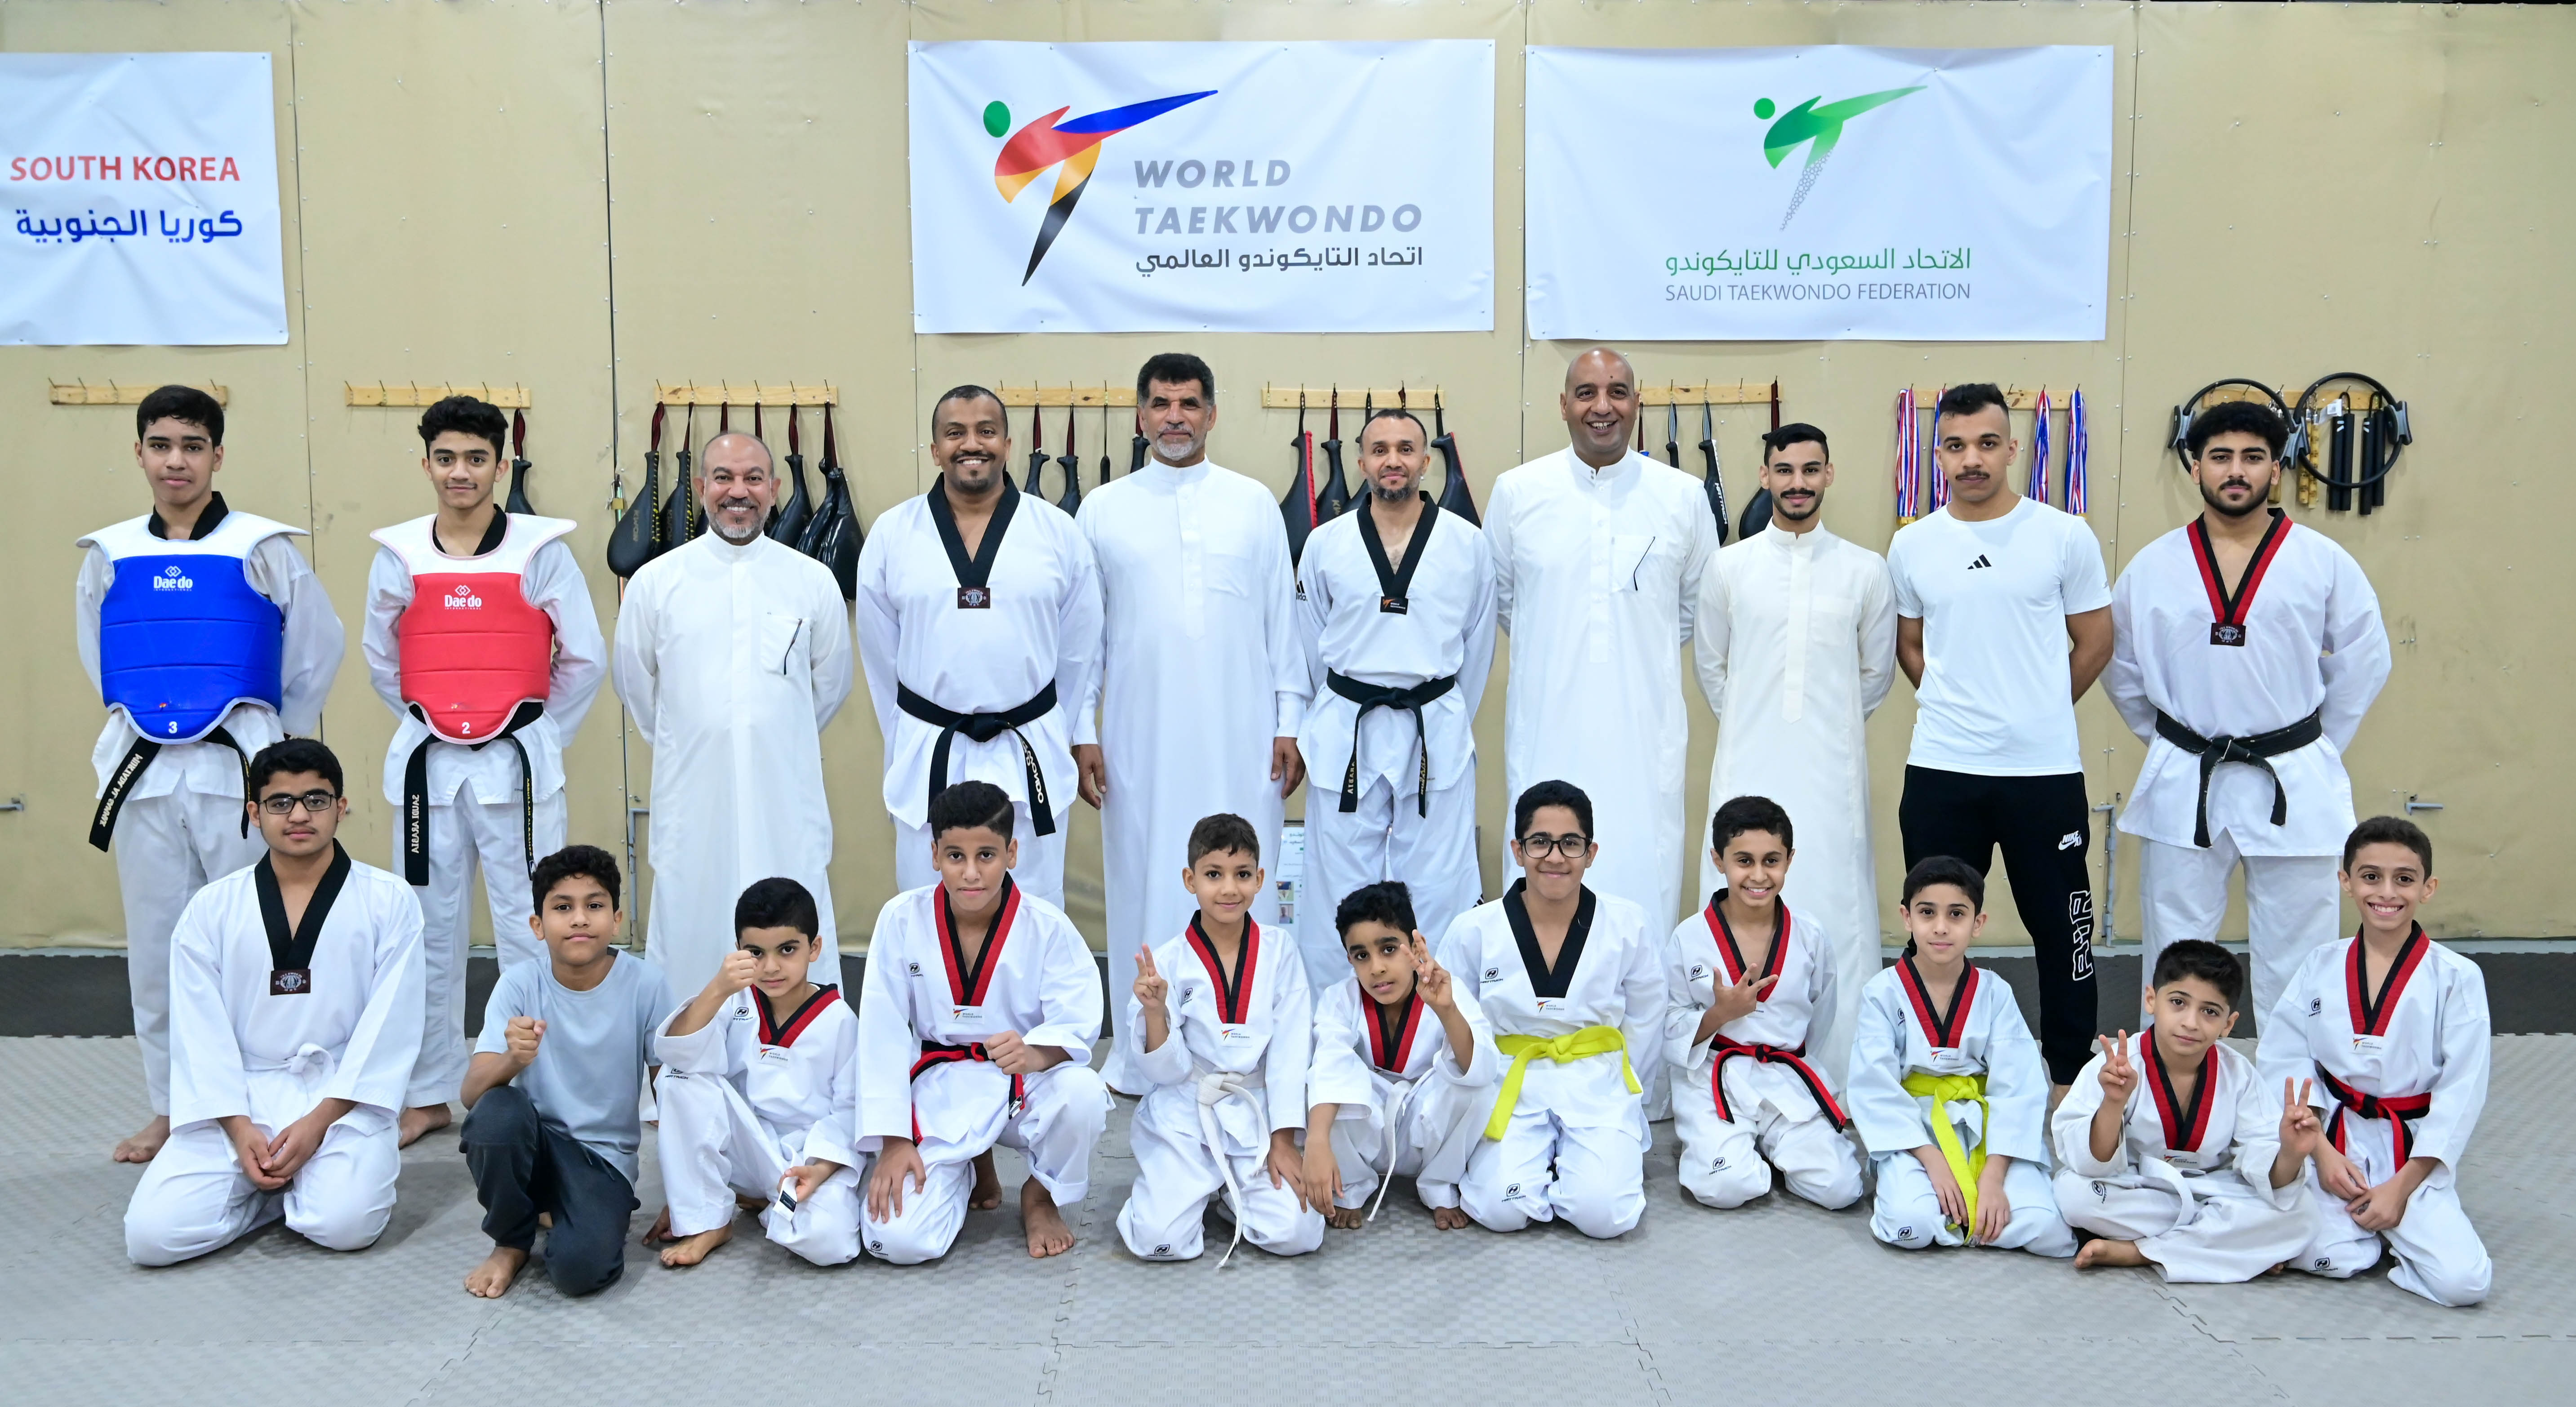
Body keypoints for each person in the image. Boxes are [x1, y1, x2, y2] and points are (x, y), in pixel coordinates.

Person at [78, 384, 345, 1163]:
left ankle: (263, 1099)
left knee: (257, 938)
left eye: (193, 446)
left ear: (217, 455)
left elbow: (315, 649)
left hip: (239, 770)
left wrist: (271, 735)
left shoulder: (262, 547)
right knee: (159, 949)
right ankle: (173, 1108)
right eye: (161, 445)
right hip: (145, 772)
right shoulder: (107, 555)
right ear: (139, 453)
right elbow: (101, 657)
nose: (177, 461)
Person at [365, 394, 606, 1148]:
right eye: (446, 458)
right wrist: (440, 720)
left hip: (518, 771)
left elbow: (584, 658)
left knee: (530, 931)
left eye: (476, 458)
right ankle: (428, 1092)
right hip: (428, 771)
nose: (460, 472)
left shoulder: (541, 552)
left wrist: (530, 731)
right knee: (425, 933)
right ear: (426, 463)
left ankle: (533, 1082)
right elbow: (382, 660)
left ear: (501, 466)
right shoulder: (399, 554)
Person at [2107, 398, 2391, 1022]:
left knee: (2301, 951)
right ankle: (2173, 1076)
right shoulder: (2151, 566)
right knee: (2175, 948)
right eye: (2220, 457)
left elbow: (2364, 660)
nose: (2235, 471)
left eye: (2252, 457)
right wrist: (2171, 742)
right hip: (2188, 774)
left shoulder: (2321, 561)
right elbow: (2119, 666)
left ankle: (2295, 1080)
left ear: (2275, 468)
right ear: (2195, 468)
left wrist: (2312, 744)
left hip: (2290, 775)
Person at [1075, 354, 1307, 1092]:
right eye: (1160, 403)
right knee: (1144, 875)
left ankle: (1250, 1045)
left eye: (1188, 403)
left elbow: (1282, 625)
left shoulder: (1252, 504)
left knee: (1241, 871)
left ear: (1211, 414)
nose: (1174, 417)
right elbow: (1084, 639)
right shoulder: (1101, 510)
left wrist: (1290, 721)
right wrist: (1082, 729)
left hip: (1244, 737)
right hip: (1138, 738)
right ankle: (1143, 1053)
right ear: (1140, 415)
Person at [1887, 382, 2113, 1093]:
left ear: (2011, 447)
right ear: (1937, 455)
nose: (1971, 459)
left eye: (1986, 443)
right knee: (1936, 926)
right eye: (1954, 446)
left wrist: (2036, 709)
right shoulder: (1911, 545)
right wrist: (1959, 709)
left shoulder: (2062, 536)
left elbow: (2095, 640)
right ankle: (1935, 1062)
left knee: (2063, 931)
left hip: (2041, 774)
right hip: (1941, 770)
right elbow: (1909, 644)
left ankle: (2069, 1079)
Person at [122, 739, 423, 1266]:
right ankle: (270, 1198)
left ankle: (295, 1186)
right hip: (240, 1093)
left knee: (345, 1226)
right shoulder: (212, 908)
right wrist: (240, 1128)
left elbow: (390, 1026)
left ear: (341, 807)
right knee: (152, 1238)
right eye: (281, 802)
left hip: (339, 1093)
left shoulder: (388, 900)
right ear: (254, 812)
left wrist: (320, 1122)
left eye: (316, 799)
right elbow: (198, 1031)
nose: (299, 815)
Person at [1486, 348, 1720, 940]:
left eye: (1617, 392)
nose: (1602, 406)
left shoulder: (1682, 496)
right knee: (1544, 863)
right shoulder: (1517, 492)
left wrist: (1633, 642)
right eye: (1586, 392)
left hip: (1643, 727)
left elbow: (1694, 606)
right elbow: (1504, 600)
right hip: (1547, 722)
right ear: (1563, 405)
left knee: (1643, 869)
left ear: (1636, 404)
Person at [614, 429, 854, 995]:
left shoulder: (811, 581)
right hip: (692, 795)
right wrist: (696, 737)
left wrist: (772, 735)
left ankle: (801, 1044)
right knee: (693, 918)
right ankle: (689, 1042)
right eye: (723, 478)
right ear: (701, 487)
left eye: (753, 479)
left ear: (774, 489)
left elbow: (829, 687)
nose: (738, 491)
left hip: (783, 797)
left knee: (792, 910)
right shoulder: (656, 582)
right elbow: (637, 686)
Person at [1691, 423, 1896, 1081]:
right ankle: (1730, 1057)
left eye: (1811, 470)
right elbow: (1713, 668)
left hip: (1831, 771)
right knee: (1739, 890)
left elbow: (1875, 675)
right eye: (1784, 470)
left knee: (1836, 900)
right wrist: (1756, 720)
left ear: (1828, 475)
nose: (1797, 483)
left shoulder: (1865, 570)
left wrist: (1824, 723)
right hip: (1747, 758)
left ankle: (1840, 1070)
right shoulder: (1728, 567)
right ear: (1765, 476)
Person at [855, 386, 1101, 908]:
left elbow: (1078, 653)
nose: (972, 444)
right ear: (935, 450)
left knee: (1031, 911)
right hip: (930, 750)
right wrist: (908, 737)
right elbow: (881, 659)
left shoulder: (1057, 533)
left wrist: (1054, 729)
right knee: (927, 912)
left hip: (1026, 746)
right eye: (955, 433)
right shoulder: (893, 534)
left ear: (1008, 445)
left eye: (986, 431)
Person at [855, 781, 1108, 1263]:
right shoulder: (900, 919)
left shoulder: (1047, 926)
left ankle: (1041, 1195)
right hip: (942, 1085)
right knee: (896, 1240)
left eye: (986, 855)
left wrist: (1035, 1052)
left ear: (1012, 853)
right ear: (934, 855)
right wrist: (894, 1138)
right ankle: (972, 1163)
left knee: (1084, 1094)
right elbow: (880, 1033)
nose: (971, 873)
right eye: (956, 856)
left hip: (1020, 1084)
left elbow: (1076, 1019)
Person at [1293, 408, 1496, 985]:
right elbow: (1311, 642)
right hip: (1348, 724)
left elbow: (1477, 646)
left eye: (1406, 449)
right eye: (1379, 449)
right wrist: (1338, 700)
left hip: (1432, 721)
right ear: (1361, 462)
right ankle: (1335, 1015)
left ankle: (1437, 1016)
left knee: (1437, 880)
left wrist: (1439, 705)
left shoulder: (1467, 544)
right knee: (1337, 880)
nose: (1392, 460)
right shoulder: (1326, 543)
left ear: (1426, 461)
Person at [2260, 817, 2491, 1306]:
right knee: (2332, 1258)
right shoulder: (2320, 963)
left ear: (2427, 888)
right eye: (2370, 877)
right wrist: (2321, 1152)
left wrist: (2401, 1189)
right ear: (2345, 882)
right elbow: (2285, 1056)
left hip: (2410, 1148)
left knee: (2464, 1284)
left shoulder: (2457, 977)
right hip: (2334, 1136)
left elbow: (2462, 1091)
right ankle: (2370, 1237)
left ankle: (2399, 1228)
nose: (2386, 892)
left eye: (2403, 879)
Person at [1439, 780, 1664, 1239]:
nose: (1555, 857)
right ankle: (1544, 1167)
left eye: (1570, 843)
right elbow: (1451, 1020)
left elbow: (1647, 1017)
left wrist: (1625, 1088)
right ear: (1518, 851)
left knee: (1604, 1215)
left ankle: (1584, 1169)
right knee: (1500, 1210)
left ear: (1591, 852)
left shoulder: (1627, 924)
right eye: (1540, 842)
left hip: (1596, 1080)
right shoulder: (1474, 929)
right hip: (1510, 1080)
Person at [458, 845, 674, 1299]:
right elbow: (471, 1095)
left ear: (616, 919)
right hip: (536, 1144)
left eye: (594, 906)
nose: (579, 919)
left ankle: (566, 1210)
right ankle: (511, 1241)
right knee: (496, 1114)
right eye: (562, 907)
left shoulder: (647, 984)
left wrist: (686, 1195)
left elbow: (671, 1093)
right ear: (538, 925)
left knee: (581, 1272)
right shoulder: (519, 984)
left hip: (604, 1160)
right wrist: (513, 1059)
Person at [1116, 813, 1322, 1265]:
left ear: (1260, 880)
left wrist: (1283, 1140)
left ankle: (1232, 1198)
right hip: (1187, 1109)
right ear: (1190, 880)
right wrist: (1154, 1012)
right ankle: (1174, 1187)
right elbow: (1165, 1070)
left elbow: (1290, 1052)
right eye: (1214, 875)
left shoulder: (1279, 951)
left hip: (1253, 1111)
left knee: (1298, 1233)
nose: (1229, 889)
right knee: (1159, 1241)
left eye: (1242, 874)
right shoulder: (1168, 960)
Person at [1849, 856, 2075, 1258]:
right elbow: (1874, 1086)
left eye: (1956, 914)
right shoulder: (1882, 992)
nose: (1940, 927)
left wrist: (1993, 1175)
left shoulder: (1995, 992)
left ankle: (1963, 1214)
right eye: (1927, 913)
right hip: (1914, 1131)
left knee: (2046, 1228)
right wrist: (1932, 1160)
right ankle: (1929, 1198)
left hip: (1986, 1127)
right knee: (1911, 1225)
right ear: (1906, 918)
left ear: (1977, 923)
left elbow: (2018, 1086)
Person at [2052, 939, 2315, 1281]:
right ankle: (2224, 1245)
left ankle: (2138, 1252)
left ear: (2228, 1024)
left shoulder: (2239, 1074)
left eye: (2210, 1012)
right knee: (2074, 1196)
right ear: (2151, 1000)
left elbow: (2266, 1166)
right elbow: (2090, 1162)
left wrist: (2291, 1154)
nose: (2191, 1022)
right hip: (2139, 1192)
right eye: (2178, 1003)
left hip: (2210, 1190)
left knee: (2305, 1214)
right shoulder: (2118, 1065)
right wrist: (2113, 1104)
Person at [647, 877, 861, 1269]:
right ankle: (707, 1220)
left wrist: (820, 1169)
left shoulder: (839, 1020)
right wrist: (718, 988)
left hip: (803, 1159)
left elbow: (850, 1112)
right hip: (743, 1146)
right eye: (756, 953)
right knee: (677, 1077)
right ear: (739, 952)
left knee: (829, 1242)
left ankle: (762, 1201)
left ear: (814, 948)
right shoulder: (735, 1001)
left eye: (787, 950)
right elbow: (677, 1052)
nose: (771, 966)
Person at [1664, 795, 1862, 1213]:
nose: (1758, 875)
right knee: (1726, 1187)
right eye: (1744, 861)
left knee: (1841, 1189)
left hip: (1785, 1075)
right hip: (1715, 1078)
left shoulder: (1809, 935)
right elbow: (1668, 1024)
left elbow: (1821, 1013)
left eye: (1771, 861)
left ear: (1789, 860)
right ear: (1718, 861)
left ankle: (1766, 1146)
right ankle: (1726, 1147)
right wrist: (1720, 1014)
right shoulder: (1690, 936)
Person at [1303, 881, 1497, 1230]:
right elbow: (1329, 1066)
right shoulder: (1340, 998)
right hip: (1370, 1123)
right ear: (1349, 959)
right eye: (1361, 956)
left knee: (1474, 1087)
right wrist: (1316, 1143)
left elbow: (1480, 1070)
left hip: (1427, 1125)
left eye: (1389, 949)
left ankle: (1439, 1185)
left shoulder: (1447, 989)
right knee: (1330, 1076)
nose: (1376, 968)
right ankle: (1351, 1186)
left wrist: (1446, 1010)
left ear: (1415, 946)